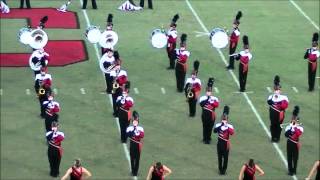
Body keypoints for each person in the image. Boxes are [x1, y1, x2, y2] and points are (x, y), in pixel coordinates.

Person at [267, 75, 289, 142]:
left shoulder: (284, 97)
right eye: (276, 89)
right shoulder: (271, 96)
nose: (277, 91)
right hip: (273, 113)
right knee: (273, 125)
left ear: (280, 90)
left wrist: (276, 104)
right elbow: (269, 102)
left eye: (278, 90)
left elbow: (284, 106)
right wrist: (274, 100)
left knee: (279, 126)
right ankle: (273, 137)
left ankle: (277, 137)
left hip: (280, 114)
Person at [213, 106, 235, 175]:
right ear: (221, 119)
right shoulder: (218, 125)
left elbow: (232, 133)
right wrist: (221, 126)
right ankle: (220, 169)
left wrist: (226, 126)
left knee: (225, 158)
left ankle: (224, 170)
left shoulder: (230, 126)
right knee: (219, 157)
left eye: (225, 120)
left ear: (227, 120)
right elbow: (214, 131)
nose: (224, 121)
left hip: (226, 144)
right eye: (223, 119)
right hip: (219, 143)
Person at [199, 78, 219, 144]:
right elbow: (201, 104)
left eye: (210, 91)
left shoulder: (214, 98)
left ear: (211, 92)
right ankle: (205, 138)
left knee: (210, 127)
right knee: (205, 126)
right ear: (206, 92)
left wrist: (211, 101)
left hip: (211, 115)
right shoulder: (202, 98)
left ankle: (208, 139)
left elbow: (216, 105)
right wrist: (208, 100)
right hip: (204, 115)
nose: (209, 92)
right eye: (208, 91)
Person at [285, 106, 303, 176]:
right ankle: (290, 170)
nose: (293, 121)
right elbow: (286, 135)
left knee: (295, 158)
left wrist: (294, 127)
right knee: (289, 157)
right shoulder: (288, 127)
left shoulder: (300, 128)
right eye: (293, 120)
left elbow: (298, 134)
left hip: (295, 144)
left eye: (295, 120)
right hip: (289, 143)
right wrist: (290, 129)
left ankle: (294, 170)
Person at [126, 111, 144, 176]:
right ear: (132, 122)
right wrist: (134, 133)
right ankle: (133, 170)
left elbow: (142, 135)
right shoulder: (129, 128)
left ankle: (135, 172)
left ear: (138, 122)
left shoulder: (140, 128)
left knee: (137, 159)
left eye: (136, 121)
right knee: (132, 158)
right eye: (134, 121)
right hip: (132, 144)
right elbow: (128, 134)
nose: (135, 122)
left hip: (138, 145)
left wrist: (136, 133)